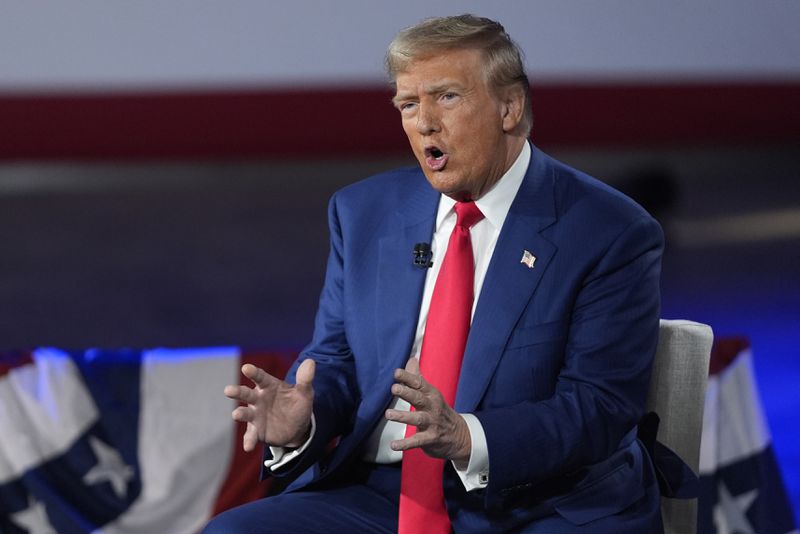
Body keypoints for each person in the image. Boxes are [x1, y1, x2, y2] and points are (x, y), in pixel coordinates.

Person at [204, 14, 665, 533]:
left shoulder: (607, 231)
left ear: (509, 108)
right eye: (407, 104)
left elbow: (599, 406)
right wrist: (303, 422)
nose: (424, 122)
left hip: (539, 503)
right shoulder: (364, 214)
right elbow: (338, 359)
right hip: (384, 495)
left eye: (446, 97)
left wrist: (467, 437)